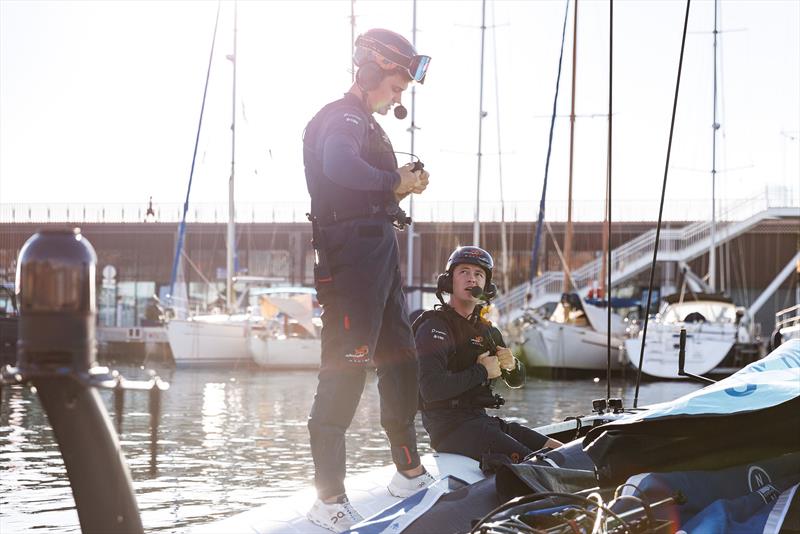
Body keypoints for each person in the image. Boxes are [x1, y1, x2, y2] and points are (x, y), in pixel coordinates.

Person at [302, 29, 434, 532]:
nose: (399, 98)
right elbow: (338, 166)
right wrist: (392, 181)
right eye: (398, 87)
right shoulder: (343, 117)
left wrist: (400, 186)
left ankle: (407, 473)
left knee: (401, 363)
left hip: (378, 254)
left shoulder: (363, 123)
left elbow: (362, 188)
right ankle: (328, 501)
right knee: (346, 370)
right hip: (351, 261)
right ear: (374, 70)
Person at [414, 246, 563, 467]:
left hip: (481, 420)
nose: (471, 279)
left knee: (558, 450)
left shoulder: (487, 331)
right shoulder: (434, 328)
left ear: (486, 286)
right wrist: (482, 371)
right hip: (449, 429)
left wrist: (512, 365)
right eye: (464, 272)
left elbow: (516, 380)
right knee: (538, 464)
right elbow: (430, 390)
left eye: (478, 274)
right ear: (449, 282)